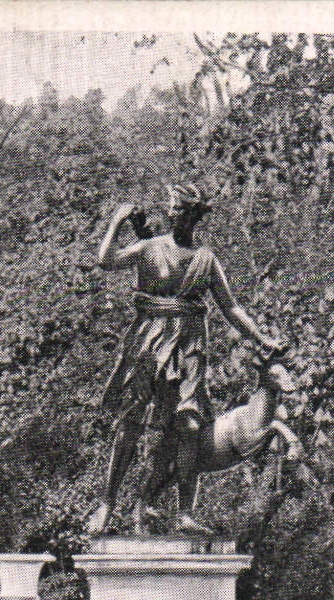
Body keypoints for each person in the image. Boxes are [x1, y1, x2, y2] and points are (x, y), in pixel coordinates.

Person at [87, 183, 285, 536]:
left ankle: (184, 513)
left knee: (190, 426)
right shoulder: (151, 247)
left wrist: (261, 338)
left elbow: (230, 306)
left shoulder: (205, 259)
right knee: (131, 423)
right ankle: (107, 503)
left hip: (191, 343)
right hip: (149, 340)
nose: (171, 213)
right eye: (171, 207)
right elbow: (106, 260)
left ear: (192, 215)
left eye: (178, 208)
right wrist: (116, 221)